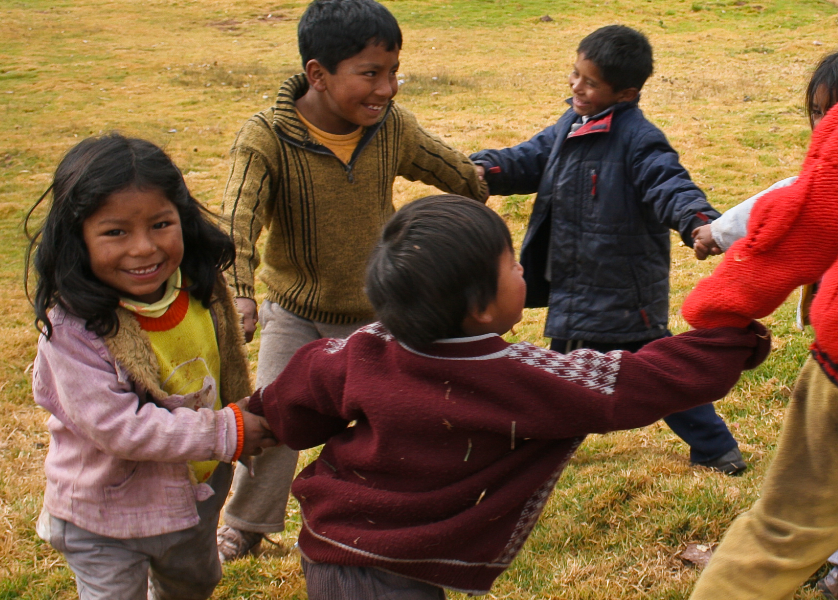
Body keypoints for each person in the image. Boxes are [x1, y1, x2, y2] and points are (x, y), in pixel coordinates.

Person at [245, 194, 770, 599]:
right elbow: (633, 382)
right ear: (478, 307)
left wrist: (248, 423)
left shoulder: (363, 347)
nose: (523, 271)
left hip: (333, 547)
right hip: (381, 572)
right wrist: (730, 342)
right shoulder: (510, 374)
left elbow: (294, 394)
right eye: (512, 264)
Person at [217, 0, 489, 561]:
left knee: (397, 417)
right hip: (295, 313)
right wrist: (240, 294)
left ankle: (391, 511)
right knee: (275, 417)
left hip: (379, 311)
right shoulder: (265, 139)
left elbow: (457, 172)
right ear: (317, 74)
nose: (387, 88)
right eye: (370, 73)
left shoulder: (393, 128)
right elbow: (238, 222)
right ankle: (246, 522)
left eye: (393, 72)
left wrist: (503, 180)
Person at [683, 26, 838, 600]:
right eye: (817, 113)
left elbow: (803, 208)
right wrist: (713, 232)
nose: (826, 126)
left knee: (790, 520)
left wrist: (718, 306)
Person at [470, 25, 744, 475]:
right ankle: (714, 446)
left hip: (618, 287)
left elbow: (668, 182)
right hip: (582, 286)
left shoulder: (638, 138)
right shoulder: (571, 125)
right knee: (639, 376)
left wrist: (698, 221)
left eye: (590, 82)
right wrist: (484, 169)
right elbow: (532, 158)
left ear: (626, 93)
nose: (577, 86)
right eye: (575, 74)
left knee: (577, 380)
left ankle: (533, 451)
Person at [25, 134, 276, 600]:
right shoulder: (74, 329)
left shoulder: (198, 287)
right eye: (115, 232)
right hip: (105, 516)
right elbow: (119, 427)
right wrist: (227, 432)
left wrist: (246, 412)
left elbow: (225, 374)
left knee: (195, 584)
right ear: (76, 237)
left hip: (193, 498)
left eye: (161, 224)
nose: (143, 248)